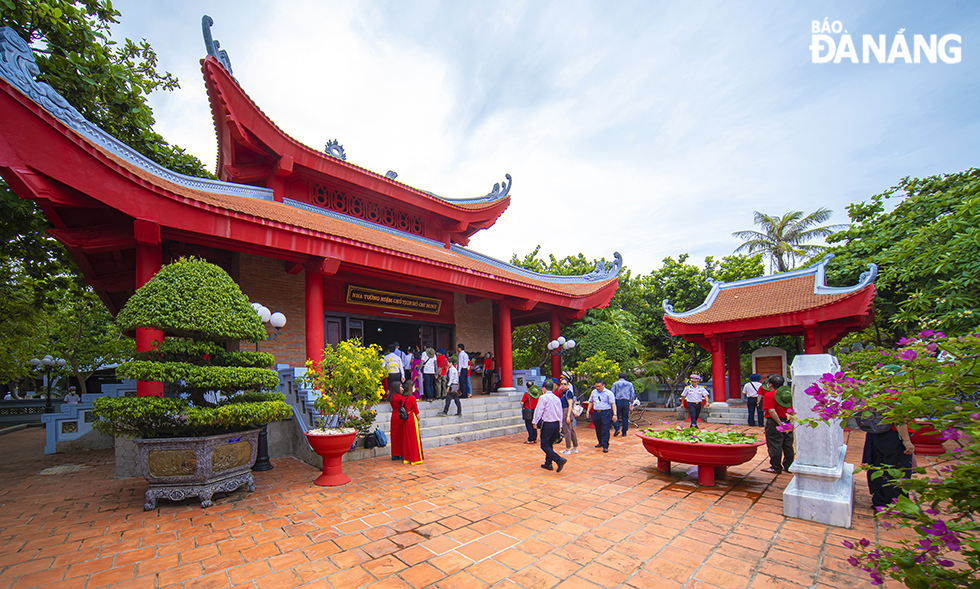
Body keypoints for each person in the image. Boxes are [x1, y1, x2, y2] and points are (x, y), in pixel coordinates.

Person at [861, 365, 915, 511]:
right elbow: (900, 419)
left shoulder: (875, 394)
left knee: (877, 467)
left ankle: (879, 501)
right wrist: (906, 441)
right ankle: (897, 504)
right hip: (893, 436)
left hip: (875, 436)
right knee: (897, 470)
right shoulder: (898, 395)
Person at [761, 375, 794, 474]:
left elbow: (771, 411)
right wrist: (791, 422)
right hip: (787, 420)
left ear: (770, 385)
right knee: (787, 444)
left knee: (775, 444)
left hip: (774, 422)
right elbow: (792, 409)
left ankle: (776, 467)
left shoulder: (769, 395)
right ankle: (789, 466)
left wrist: (780, 423)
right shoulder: (787, 395)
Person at [533, 380, 567, 473]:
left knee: (544, 445)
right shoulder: (557, 398)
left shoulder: (543, 398)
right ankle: (548, 463)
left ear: (544, 388)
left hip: (548, 424)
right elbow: (560, 412)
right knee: (550, 444)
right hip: (556, 423)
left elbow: (539, 410)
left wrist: (535, 421)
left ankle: (558, 459)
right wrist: (560, 425)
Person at [586, 379, 616, 453]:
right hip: (597, 411)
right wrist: (587, 411)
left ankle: (605, 445)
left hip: (606, 411)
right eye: (596, 386)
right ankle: (600, 442)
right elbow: (591, 401)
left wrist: (615, 414)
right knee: (598, 428)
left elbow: (613, 404)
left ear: (603, 385)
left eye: (599, 386)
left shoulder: (609, 393)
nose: (597, 388)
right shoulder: (594, 392)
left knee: (605, 428)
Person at [401, 380, 424, 465]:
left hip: (405, 418)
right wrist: (418, 417)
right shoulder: (412, 398)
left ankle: (407, 458)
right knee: (414, 438)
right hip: (411, 418)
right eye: (413, 387)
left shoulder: (402, 398)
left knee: (407, 438)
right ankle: (415, 458)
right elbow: (416, 409)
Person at [558, 375, 579, 454]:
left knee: (567, 431)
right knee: (571, 430)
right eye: (562, 384)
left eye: (565, 384)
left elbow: (570, 404)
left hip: (567, 411)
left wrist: (567, 416)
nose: (563, 385)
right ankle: (575, 447)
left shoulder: (568, 392)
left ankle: (568, 448)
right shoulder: (564, 392)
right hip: (565, 411)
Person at [612, 373, 636, 437]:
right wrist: (631, 402)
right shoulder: (630, 384)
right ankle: (624, 431)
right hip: (626, 401)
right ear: (625, 378)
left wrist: (612, 403)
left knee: (615, 415)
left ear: (618, 377)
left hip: (618, 401)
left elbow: (612, 393)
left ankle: (617, 428)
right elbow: (632, 394)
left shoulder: (615, 384)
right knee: (625, 417)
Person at [389, 382, 406, 461]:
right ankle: (402, 453)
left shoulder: (391, 396)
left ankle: (395, 454)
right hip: (400, 416)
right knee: (401, 435)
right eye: (400, 386)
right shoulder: (400, 397)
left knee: (394, 435)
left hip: (394, 415)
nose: (402, 388)